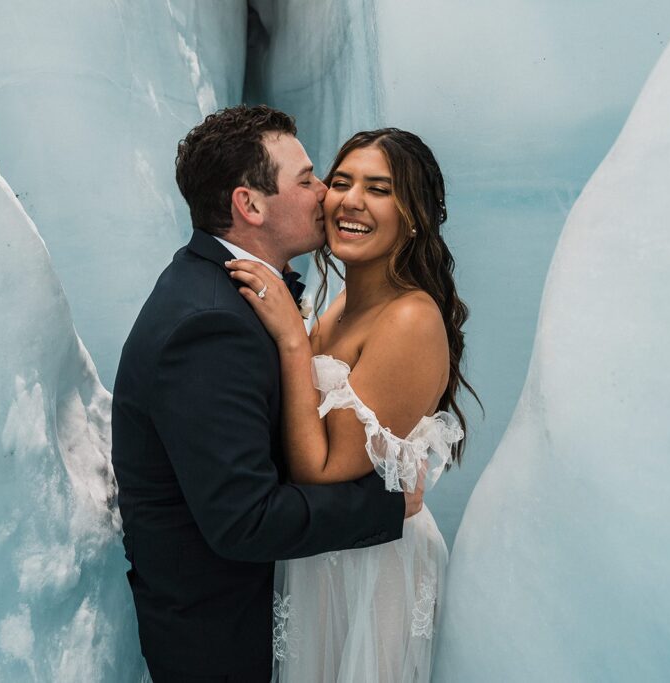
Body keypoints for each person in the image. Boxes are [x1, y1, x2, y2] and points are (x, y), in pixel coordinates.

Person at [111, 106, 425, 682]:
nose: (325, 191)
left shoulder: (225, 292)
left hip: (271, 614)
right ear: (249, 205)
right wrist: (385, 506)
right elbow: (244, 521)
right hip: (225, 644)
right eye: (305, 179)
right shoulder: (209, 325)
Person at [227, 128, 478, 682]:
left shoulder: (409, 319)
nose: (351, 200)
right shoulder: (343, 302)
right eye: (340, 182)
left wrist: (293, 339)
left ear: (413, 214)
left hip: (375, 569)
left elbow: (323, 471)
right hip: (327, 552)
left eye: (380, 188)